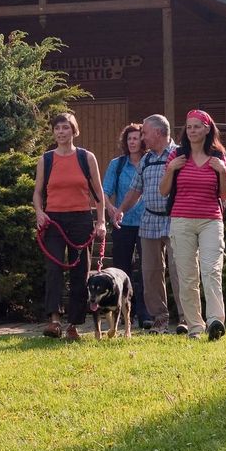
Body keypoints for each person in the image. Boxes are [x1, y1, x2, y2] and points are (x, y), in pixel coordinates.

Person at [32, 112, 107, 340]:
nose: (61, 132)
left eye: (65, 128)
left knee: (80, 272)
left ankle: (73, 324)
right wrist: (39, 212)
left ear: (74, 131)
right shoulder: (46, 159)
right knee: (53, 269)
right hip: (53, 220)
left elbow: (99, 193)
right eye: (57, 128)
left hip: (81, 219)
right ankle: (54, 321)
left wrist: (101, 221)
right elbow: (37, 192)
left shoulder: (86, 157)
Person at [159, 109, 226, 340]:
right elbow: (163, 191)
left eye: (197, 126)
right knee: (187, 276)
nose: (192, 131)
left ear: (207, 129)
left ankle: (215, 322)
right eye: (189, 127)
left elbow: (225, 194)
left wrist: (223, 173)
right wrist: (171, 169)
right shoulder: (176, 156)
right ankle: (195, 327)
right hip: (181, 221)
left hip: (211, 220)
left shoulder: (218, 157)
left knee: (211, 271)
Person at [110, 114, 185, 334]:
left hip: (175, 219)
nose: (142, 137)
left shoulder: (180, 154)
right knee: (151, 272)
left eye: (145, 133)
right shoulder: (147, 158)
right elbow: (135, 189)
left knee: (180, 270)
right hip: (149, 220)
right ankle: (159, 319)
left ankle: (185, 318)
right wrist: (121, 210)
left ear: (158, 132)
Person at [101, 123, 149, 328]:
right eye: (129, 138)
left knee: (147, 269)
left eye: (136, 138)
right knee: (121, 269)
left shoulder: (150, 162)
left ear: (143, 140)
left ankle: (145, 313)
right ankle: (121, 311)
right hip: (123, 224)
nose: (132, 142)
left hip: (148, 223)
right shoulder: (117, 164)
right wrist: (110, 208)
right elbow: (104, 191)